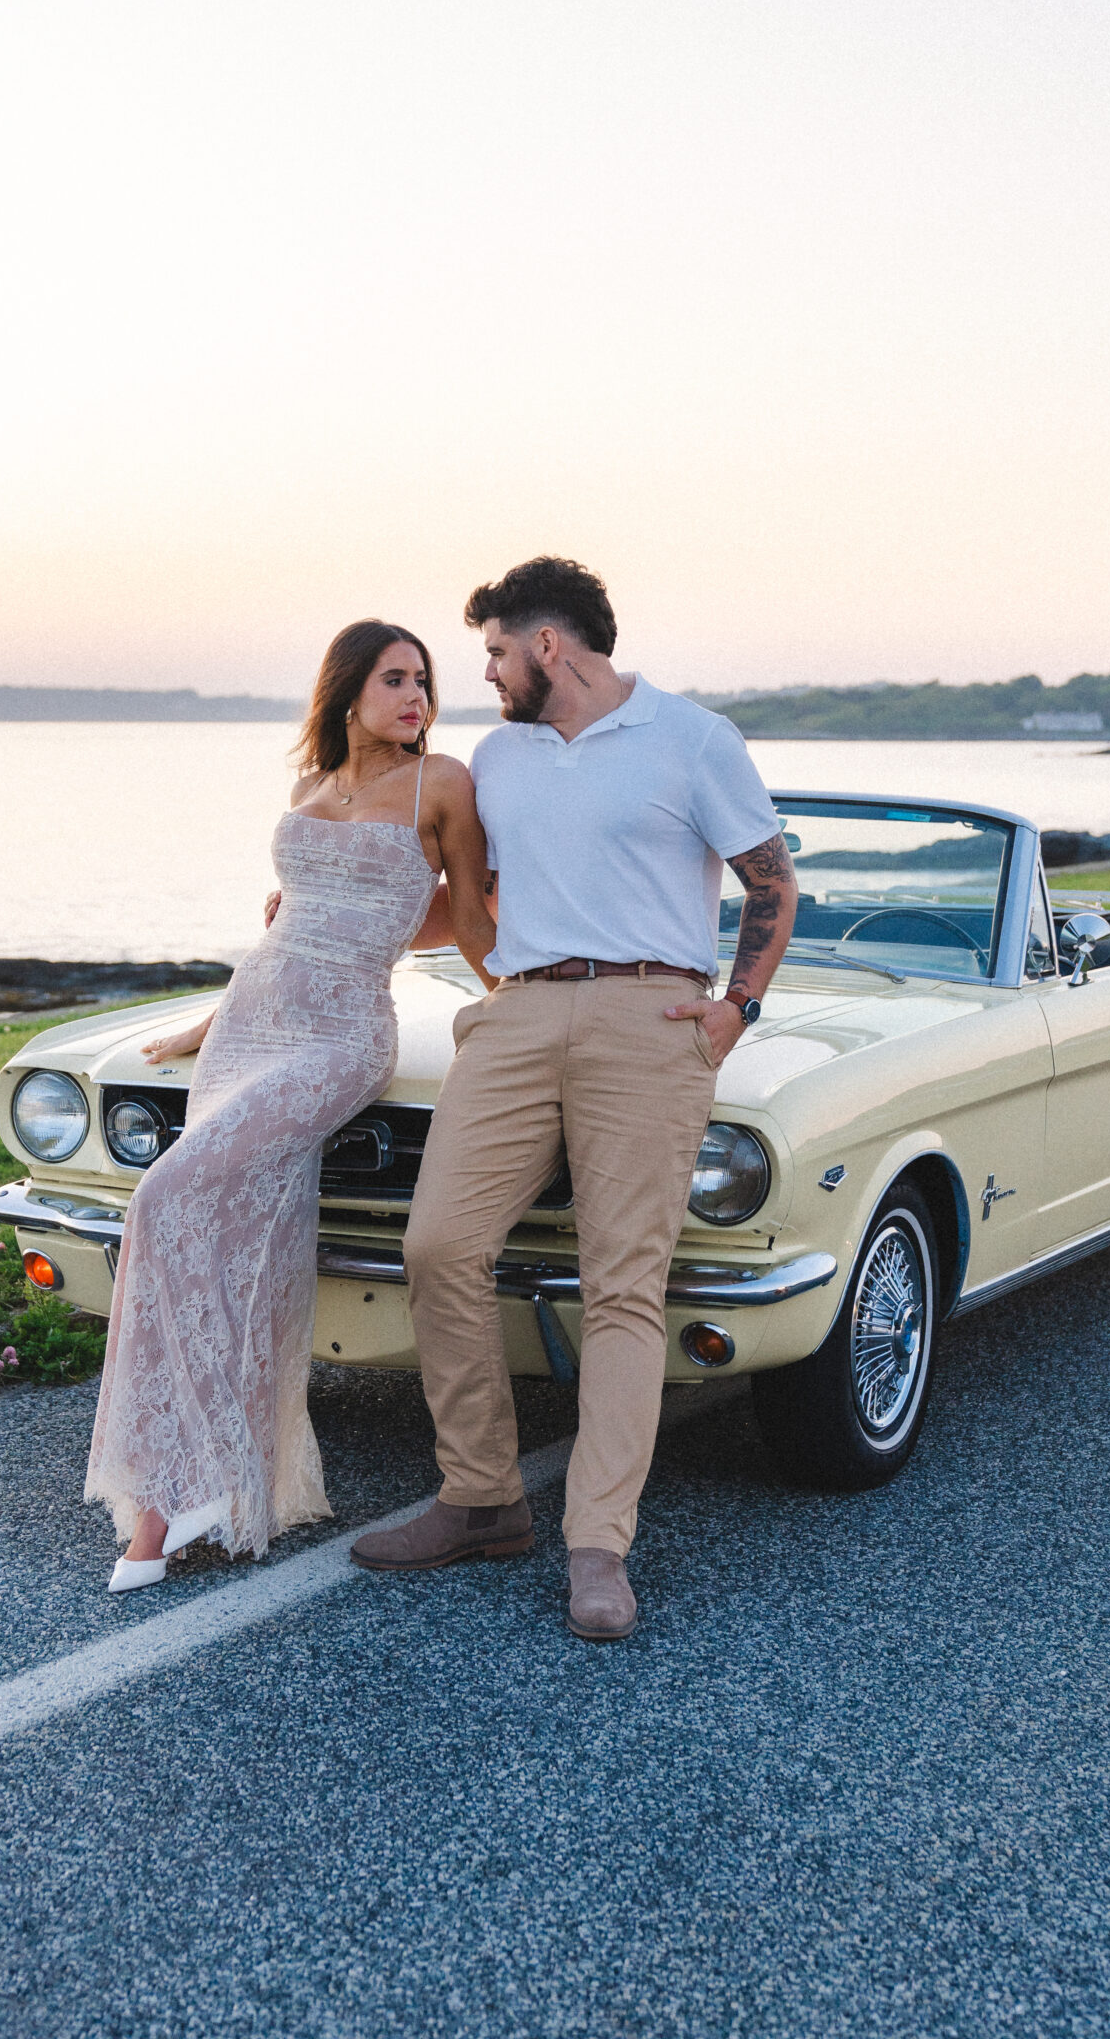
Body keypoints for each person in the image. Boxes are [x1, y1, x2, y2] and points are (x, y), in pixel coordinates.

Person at [352, 557, 798, 1640]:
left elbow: (772, 879)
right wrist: (334, 920)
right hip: (517, 1011)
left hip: (650, 1019)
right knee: (439, 1245)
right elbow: (471, 904)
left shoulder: (694, 739)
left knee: (623, 1286)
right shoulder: (498, 760)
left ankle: (599, 1546)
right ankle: (483, 1497)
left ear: (548, 646)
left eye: (498, 651)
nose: (489, 674)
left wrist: (737, 1006)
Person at [86, 621, 496, 1595]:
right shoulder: (309, 789)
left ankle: (193, 1480)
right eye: (395, 679)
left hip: (339, 1035)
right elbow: (300, 919)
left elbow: (468, 911)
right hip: (254, 1021)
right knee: (238, 1232)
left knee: (169, 1196)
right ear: (347, 690)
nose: (416, 696)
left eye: (425, 680)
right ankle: (191, 1487)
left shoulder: (443, 784)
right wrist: (211, 1018)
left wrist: (515, 996)